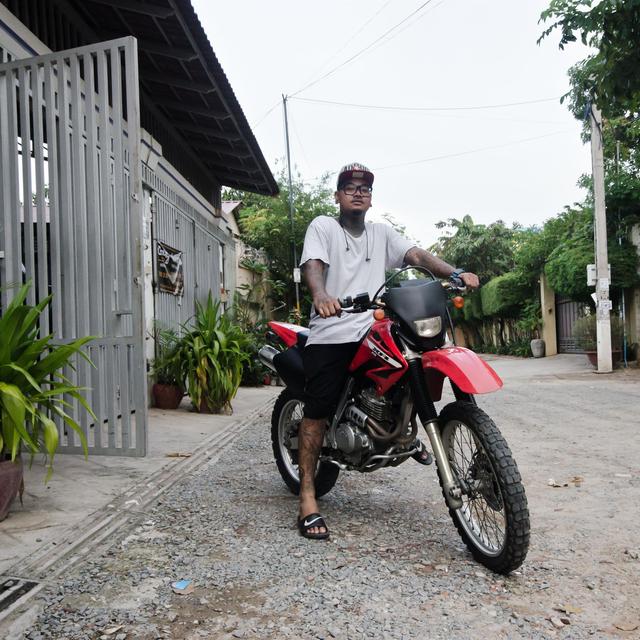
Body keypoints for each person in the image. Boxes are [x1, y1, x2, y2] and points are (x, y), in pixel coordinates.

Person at [297, 162, 480, 540]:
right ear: (337, 195)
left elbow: (414, 255)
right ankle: (308, 496)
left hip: (373, 327)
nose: (358, 191)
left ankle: (400, 432)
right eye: (349, 186)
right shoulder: (324, 226)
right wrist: (321, 294)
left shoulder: (381, 233)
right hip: (333, 329)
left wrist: (454, 273)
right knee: (317, 409)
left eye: (364, 188)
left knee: (415, 359)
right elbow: (313, 265)